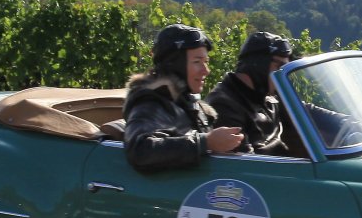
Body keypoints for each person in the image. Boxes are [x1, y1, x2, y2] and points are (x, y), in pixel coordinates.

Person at [123, 24, 244, 171]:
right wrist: (205, 142)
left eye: (206, 62)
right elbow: (140, 150)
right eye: (197, 62)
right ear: (175, 64)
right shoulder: (151, 103)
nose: (206, 71)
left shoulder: (190, 104)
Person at [206, 31, 298, 155]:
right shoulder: (224, 106)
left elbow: (304, 111)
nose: (282, 75)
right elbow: (248, 163)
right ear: (259, 64)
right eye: (278, 67)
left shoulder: (268, 98)